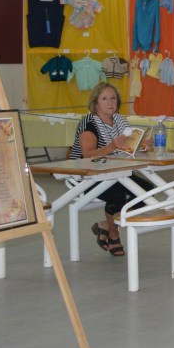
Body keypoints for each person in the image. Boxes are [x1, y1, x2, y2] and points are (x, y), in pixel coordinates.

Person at [68, 82, 153, 257]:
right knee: (118, 196)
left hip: (117, 172)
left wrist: (143, 146)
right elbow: (87, 155)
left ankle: (106, 225)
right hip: (88, 175)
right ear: (96, 103)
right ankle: (114, 235)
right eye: (105, 99)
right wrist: (111, 147)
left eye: (113, 98)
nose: (110, 102)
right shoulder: (88, 122)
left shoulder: (120, 121)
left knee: (147, 191)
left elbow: (128, 149)